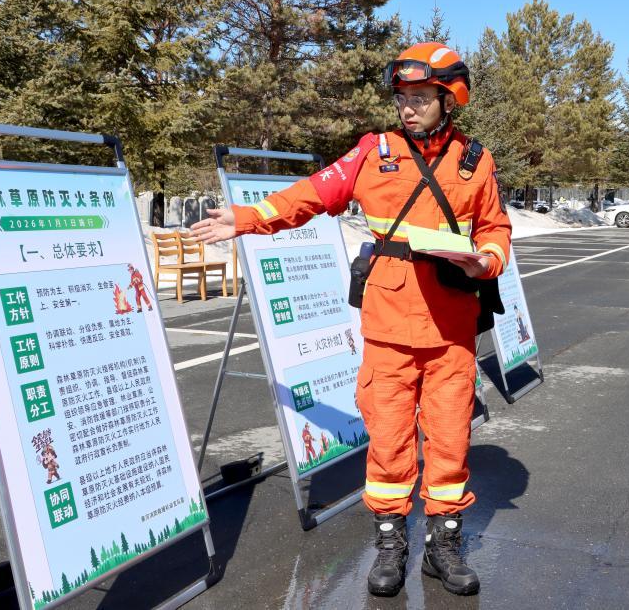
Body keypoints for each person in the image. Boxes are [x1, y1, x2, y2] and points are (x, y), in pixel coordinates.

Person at [191, 42, 511, 597]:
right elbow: (311, 195)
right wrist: (247, 218)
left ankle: (444, 544)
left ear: (449, 99)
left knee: (451, 440)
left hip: (452, 331)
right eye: (402, 98)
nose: (407, 108)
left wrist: (487, 259)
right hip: (388, 330)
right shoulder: (374, 152)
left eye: (420, 98)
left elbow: (495, 228)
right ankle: (391, 542)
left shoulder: (474, 161)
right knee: (387, 441)